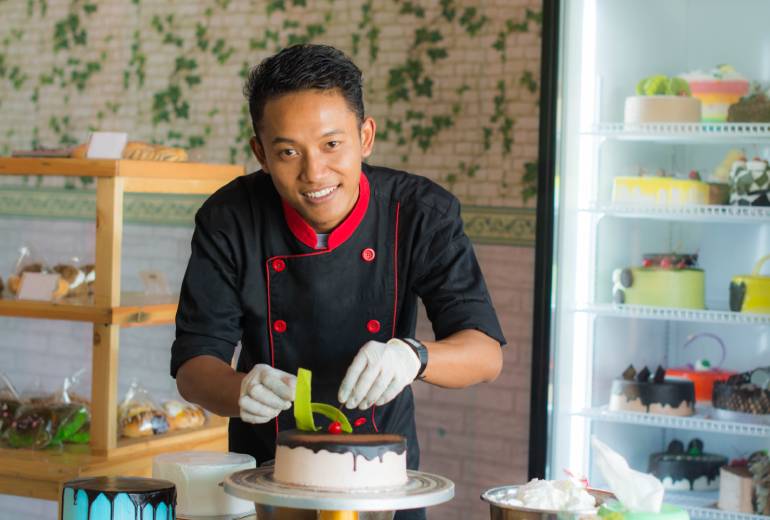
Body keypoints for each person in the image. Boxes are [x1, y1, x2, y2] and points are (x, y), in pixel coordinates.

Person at [171, 43, 505, 520]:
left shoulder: (419, 214)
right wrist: (240, 389)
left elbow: (485, 353)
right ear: (260, 153)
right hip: (267, 479)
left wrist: (414, 356)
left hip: (384, 480)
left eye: (332, 144)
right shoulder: (230, 219)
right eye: (288, 152)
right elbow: (193, 365)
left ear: (365, 136)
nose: (314, 173)